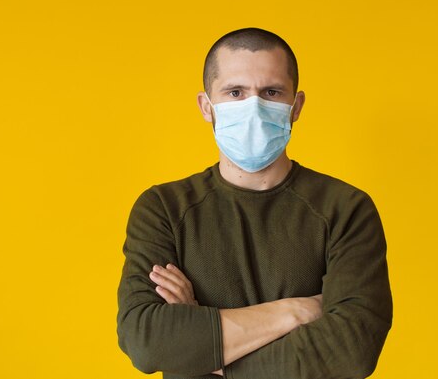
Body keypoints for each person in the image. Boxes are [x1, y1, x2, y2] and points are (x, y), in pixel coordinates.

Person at [116, 27, 393, 379]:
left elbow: (352, 349)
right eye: (235, 92)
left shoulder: (345, 209)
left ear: (296, 107)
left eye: (271, 92)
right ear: (206, 106)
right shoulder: (163, 209)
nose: (254, 107)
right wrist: (292, 312)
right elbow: (146, 341)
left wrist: (206, 352)